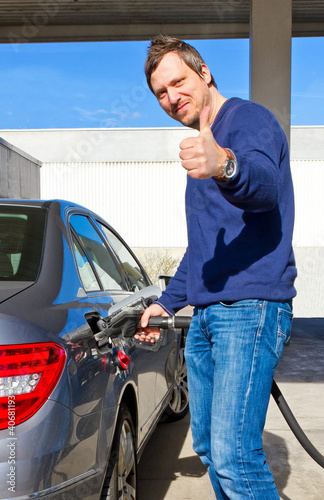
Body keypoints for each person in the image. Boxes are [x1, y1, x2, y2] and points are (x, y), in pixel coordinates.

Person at [137, 34, 297, 499]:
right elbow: (203, 248)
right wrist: (167, 305)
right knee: (210, 449)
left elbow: (264, 185)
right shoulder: (202, 151)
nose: (172, 98)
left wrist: (225, 164)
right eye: (161, 94)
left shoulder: (247, 120)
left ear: (204, 72)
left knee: (234, 456)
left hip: (249, 309)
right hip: (207, 318)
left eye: (178, 82)